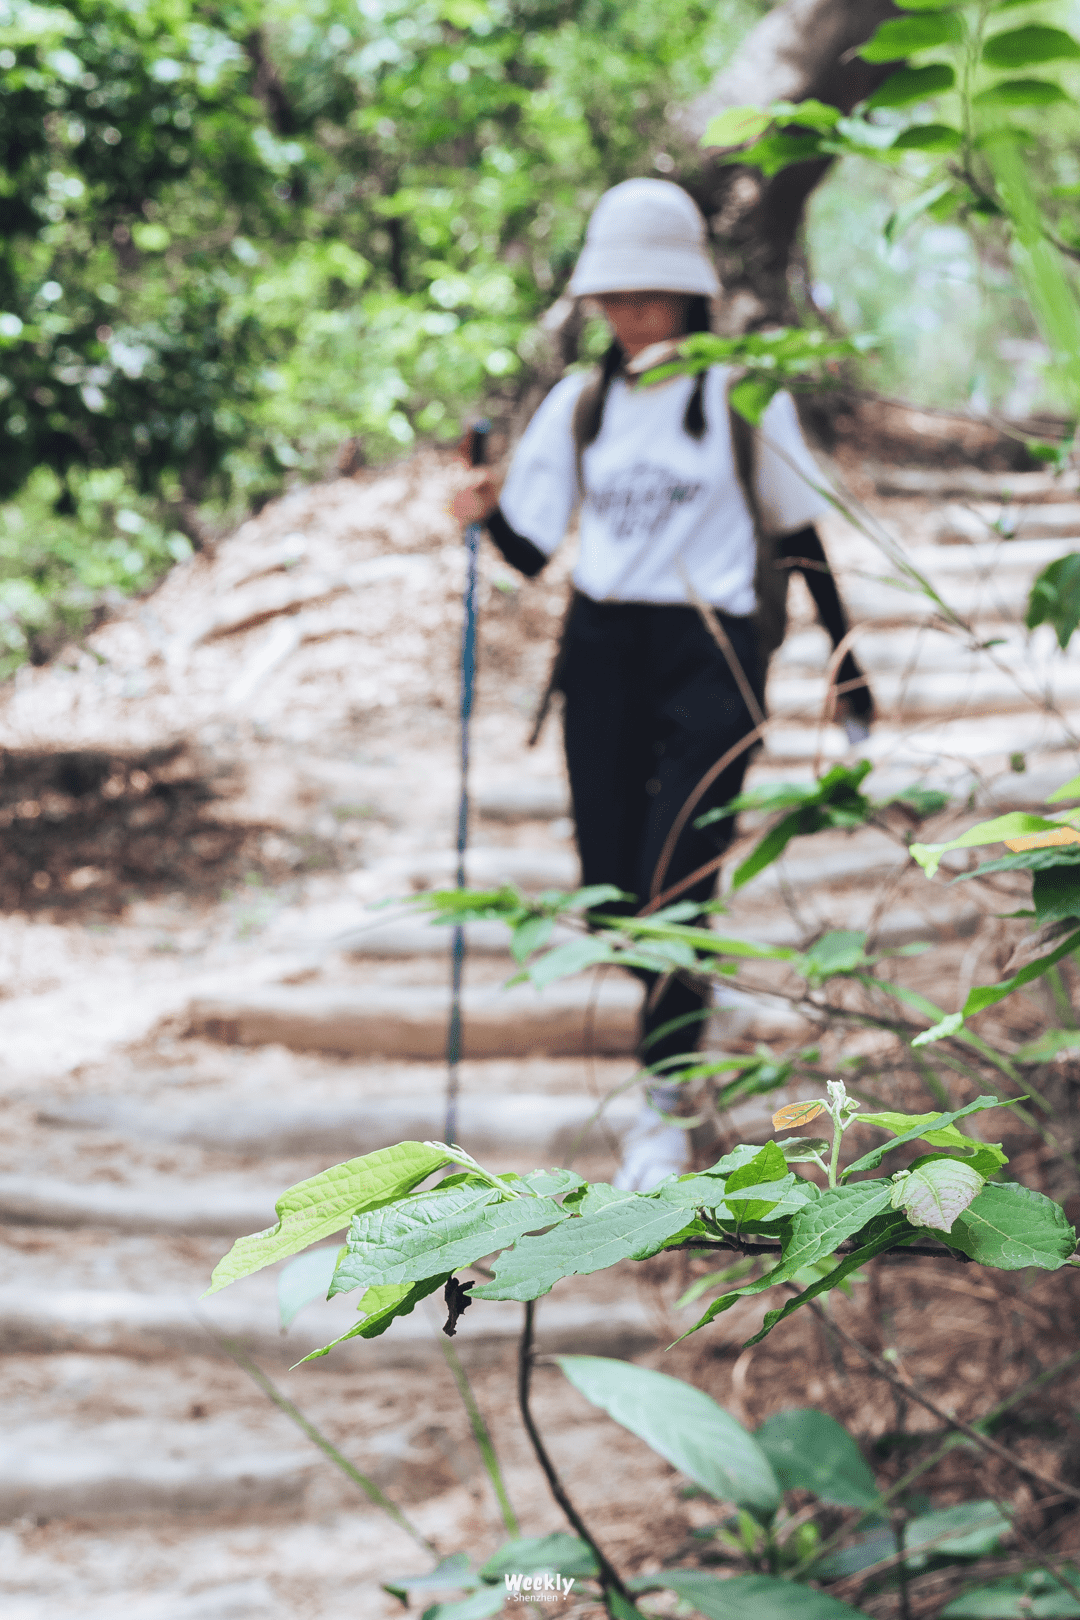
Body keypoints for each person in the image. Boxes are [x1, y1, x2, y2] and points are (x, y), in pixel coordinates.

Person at [452, 177, 872, 1189]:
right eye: (615, 297)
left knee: (678, 886)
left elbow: (797, 534)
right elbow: (527, 552)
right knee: (612, 895)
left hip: (712, 660)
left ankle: (662, 1102)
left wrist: (847, 664)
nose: (631, 314)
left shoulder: (742, 397)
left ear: (689, 295)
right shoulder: (581, 404)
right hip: (601, 657)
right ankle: (682, 1006)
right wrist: (478, 507)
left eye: (649, 295)